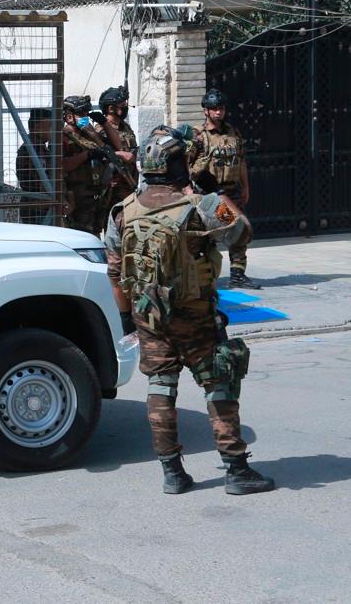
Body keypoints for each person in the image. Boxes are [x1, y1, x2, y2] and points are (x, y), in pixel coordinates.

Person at [105, 125, 275, 496]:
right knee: (218, 383)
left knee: (161, 385)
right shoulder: (200, 206)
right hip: (195, 315)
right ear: (175, 166)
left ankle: (172, 473)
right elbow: (242, 231)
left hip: (148, 316)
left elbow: (115, 273)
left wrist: (125, 320)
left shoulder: (123, 211)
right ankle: (235, 470)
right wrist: (211, 194)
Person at [187, 88, 258, 289]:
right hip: (212, 195)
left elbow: (241, 161)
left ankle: (237, 273)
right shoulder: (199, 136)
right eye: (214, 109)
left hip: (232, 191)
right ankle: (204, 274)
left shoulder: (233, 133)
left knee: (238, 231)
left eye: (221, 108)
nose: (218, 112)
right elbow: (187, 165)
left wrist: (246, 187)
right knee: (210, 235)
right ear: (206, 111)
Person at [61, 95, 117, 235]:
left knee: (96, 236)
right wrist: (87, 155)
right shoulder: (63, 139)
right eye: (81, 114)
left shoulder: (90, 136)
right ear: (69, 117)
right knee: (82, 237)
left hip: (97, 197)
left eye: (87, 113)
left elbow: (117, 144)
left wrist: (104, 122)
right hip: (78, 198)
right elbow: (62, 166)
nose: (86, 117)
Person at [97, 84, 139, 223]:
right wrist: (119, 155)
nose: (126, 107)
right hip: (112, 189)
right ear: (111, 108)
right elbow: (99, 153)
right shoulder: (101, 129)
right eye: (122, 105)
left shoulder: (125, 126)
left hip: (129, 184)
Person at [17, 107, 59, 224]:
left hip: (43, 206)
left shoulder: (40, 148)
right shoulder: (31, 150)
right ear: (36, 127)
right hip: (37, 207)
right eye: (49, 125)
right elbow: (38, 180)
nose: (52, 130)